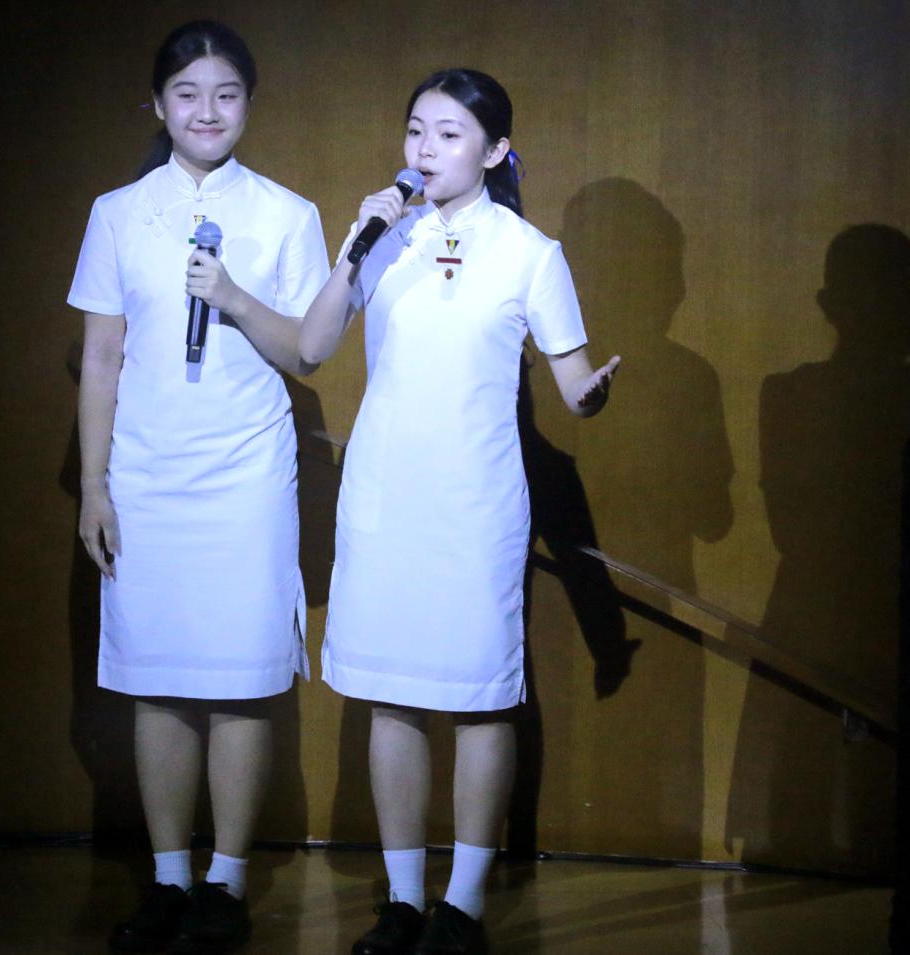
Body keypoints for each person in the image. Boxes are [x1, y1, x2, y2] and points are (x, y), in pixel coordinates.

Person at [299, 68, 619, 955]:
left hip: (476, 502)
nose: (425, 149)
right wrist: (358, 244)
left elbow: (573, 381)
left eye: (448, 134)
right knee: (392, 698)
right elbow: (313, 346)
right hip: (386, 495)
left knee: (480, 699)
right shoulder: (382, 236)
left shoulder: (529, 252)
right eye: (416, 131)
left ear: (495, 150)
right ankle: (404, 898)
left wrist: (592, 394)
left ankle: (465, 901)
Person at [67, 20, 329, 955]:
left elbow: (306, 350)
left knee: (240, 683)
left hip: (246, 474)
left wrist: (233, 296)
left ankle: (226, 880)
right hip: (148, 473)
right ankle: (170, 877)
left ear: (248, 104)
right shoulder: (117, 212)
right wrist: (95, 484)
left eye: (225, 94)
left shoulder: (288, 213)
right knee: (159, 683)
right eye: (187, 93)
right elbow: (102, 356)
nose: (206, 111)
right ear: (157, 104)